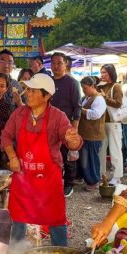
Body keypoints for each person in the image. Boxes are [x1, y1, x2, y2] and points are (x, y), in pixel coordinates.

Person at [2, 73, 83, 246]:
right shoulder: (19, 113)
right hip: (23, 176)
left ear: (47, 96)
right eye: (27, 89)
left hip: (48, 178)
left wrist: (74, 140)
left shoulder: (58, 116)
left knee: (56, 218)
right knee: (17, 218)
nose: (27, 94)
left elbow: (72, 141)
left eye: (33, 90)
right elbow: (6, 137)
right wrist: (12, 157)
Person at [48, 52, 81, 197]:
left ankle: (68, 184)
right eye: (53, 63)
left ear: (65, 64)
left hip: (66, 126)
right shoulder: (48, 82)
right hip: (48, 126)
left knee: (68, 157)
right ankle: (53, 182)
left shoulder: (72, 83)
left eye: (59, 63)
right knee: (51, 156)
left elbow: (77, 107)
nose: (56, 66)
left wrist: (74, 129)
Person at [97, 64, 124, 185]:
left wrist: (105, 97)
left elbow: (118, 103)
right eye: (101, 72)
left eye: (105, 73)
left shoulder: (116, 86)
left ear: (111, 73)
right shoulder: (100, 86)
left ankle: (117, 176)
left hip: (114, 122)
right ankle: (101, 174)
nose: (102, 75)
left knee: (115, 150)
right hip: (102, 122)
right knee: (101, 149)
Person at [78, 76, 106, 190]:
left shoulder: (98, 99)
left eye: (85, 88)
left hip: (93, 134)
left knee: (92, 159)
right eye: (82, 88)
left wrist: (81, 110)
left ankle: (93, 181)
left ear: (92, 86)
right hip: (85, 134)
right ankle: (87, 179)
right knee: (85, 158)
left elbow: (96, 114)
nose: (83, 90)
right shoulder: (86, 97)